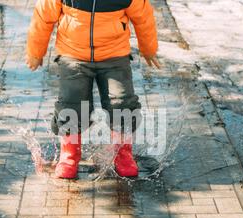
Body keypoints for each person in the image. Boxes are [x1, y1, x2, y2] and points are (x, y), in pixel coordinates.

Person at [26, 0, 159, 179]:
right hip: (73, 55)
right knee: (71, 104)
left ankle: (123, 154)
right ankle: (69, 155)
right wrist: (36, 51)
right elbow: (43, 16)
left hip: (114, 55)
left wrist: (148, 48)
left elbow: (143, 16)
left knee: (122, 102)